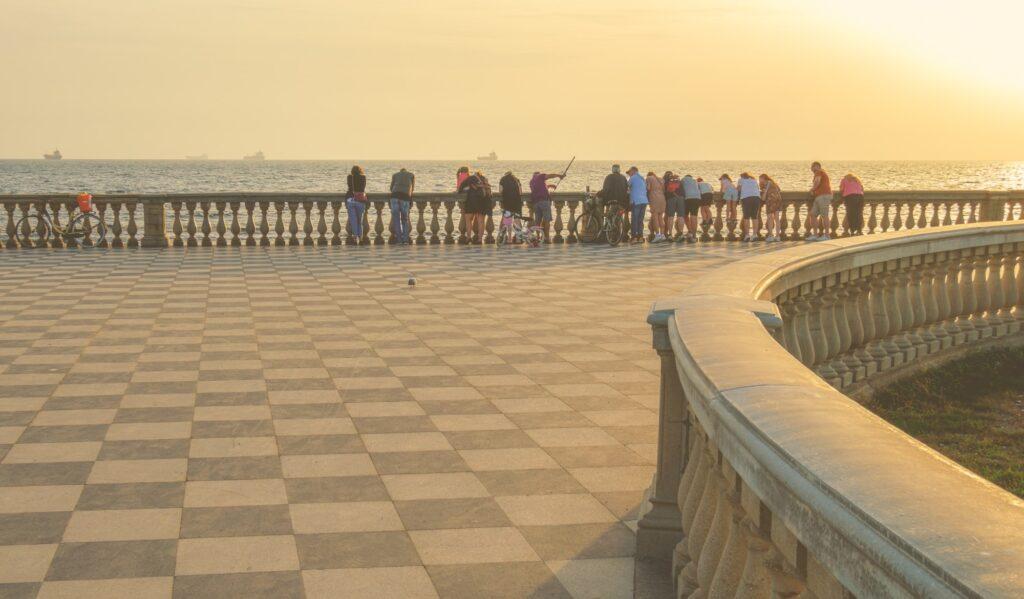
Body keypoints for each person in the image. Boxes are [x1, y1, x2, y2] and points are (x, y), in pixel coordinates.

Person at [529, 171, 564, 243]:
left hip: (536, 203)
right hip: (544, 202)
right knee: (546, 220)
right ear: (538, 174)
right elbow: (550, 175)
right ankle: (547, 238)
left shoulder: (532, 181)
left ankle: (538, 237)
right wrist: (559, 175)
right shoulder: (540, 176)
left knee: (537, 221)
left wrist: (549, 186)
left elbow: (539, 188)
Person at [457, 170, 491, 244]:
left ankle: (468, 238)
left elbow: (461, 187)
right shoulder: (484, 179)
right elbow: (489, 191)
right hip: (482, 202)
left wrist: (460, 191)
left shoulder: (471, 178)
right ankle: (479, 239)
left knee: (468, 220)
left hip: (471, 202)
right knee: (481, 221)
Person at [389, 167, 415, 244]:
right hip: (405, 198)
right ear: (406, 171)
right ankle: (405, 240)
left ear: (400, 171)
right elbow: (412, 189)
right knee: (405, 219)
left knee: (396, 220)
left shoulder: (395, 175)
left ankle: (399, 240)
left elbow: (391, 188)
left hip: (394, 197)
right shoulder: (411, 175)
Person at [808, 161, 832, 241]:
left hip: (824, 195)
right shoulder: (819, 173)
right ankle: (815, 234)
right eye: (811, 167)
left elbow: (817, 181)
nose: (812, 169)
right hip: (819, 196)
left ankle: (827, 235)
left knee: (824, 215)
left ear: (818, 166)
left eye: (813, 167)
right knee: (812, 214)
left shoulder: (819, 172)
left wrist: (812, 189)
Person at [498, 171, 523, 243]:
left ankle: (509, 239)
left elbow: (500, 191)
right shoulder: (516, 179)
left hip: (507, 203)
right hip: (517, 203)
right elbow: (520, 192)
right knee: (517, 221)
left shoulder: (502, 179)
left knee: (508, 221)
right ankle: (518, 239)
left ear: (505, 174)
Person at [346, 165, 368, 244]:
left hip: (351, 200)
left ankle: (355, 239)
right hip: (360, 200)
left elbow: (349, 186)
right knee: (360, 221)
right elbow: (363, 187)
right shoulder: (363, 177)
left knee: (353, 220)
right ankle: (361, 239)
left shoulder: (349, 177)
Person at [737, 172, 762, 242]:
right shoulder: (754, 180)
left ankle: (747, 235)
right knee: (755, 217)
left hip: (746, 198)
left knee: (746, 217)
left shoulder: (741, 180)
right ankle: (754, 235)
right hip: (756, 198)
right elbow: (758, 188)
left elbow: (738, 189)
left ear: (742, 176)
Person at [759, 174, 783, 241]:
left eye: (760, 179)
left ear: (764, 178)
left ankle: (771, 235)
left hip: (770, 202)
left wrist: (763, 195)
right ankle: (778, 236)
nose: (759, 180)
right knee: (777, 218)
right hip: (778, 200)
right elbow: (779, 190)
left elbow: (763, 198)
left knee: (770, 218)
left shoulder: (767, 184)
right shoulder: (773, 183)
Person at [627, 167, 648, 243]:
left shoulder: (632, 178)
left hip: (636, 201)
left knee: (634, 220)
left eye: (629, 172)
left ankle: (634, 237)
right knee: (640, 220)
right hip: (644, 201)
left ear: (633, 171)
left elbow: (626, 186)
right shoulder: (642, 178)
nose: (629, 174)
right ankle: (640, 237)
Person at [680, 174, 702, 242]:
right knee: (694, 216)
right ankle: (694, 236)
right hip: (697, 198)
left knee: (685, 215)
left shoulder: (683, 180)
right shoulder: (695, 181)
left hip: (688, 198)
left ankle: (690, 231)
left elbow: (680, 189)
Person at [646, 171, 666, 242]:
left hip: (654, 198)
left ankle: (657, 235)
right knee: (660, 216)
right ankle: (662, 234)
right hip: (662, 199)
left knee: (655, 217)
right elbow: (664, 190)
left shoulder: (649, 178)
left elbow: (648, 188)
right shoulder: (661, 179)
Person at [663, 171, 682, 240]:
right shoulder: (676, 180)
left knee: (669, 217)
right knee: (680, 216)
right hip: (680, 199)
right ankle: (680, 233)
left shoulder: (665, 181)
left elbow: (664, 191)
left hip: (669, 200)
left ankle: (668, 233)